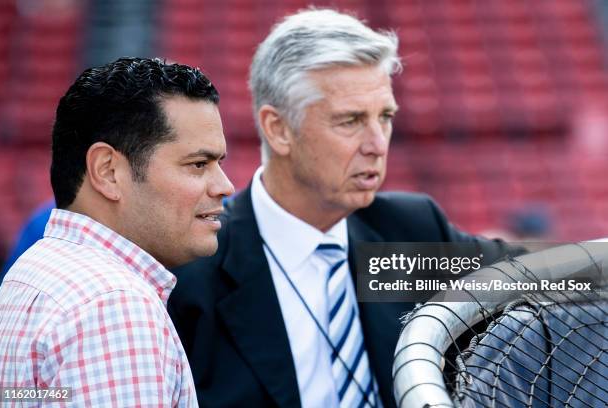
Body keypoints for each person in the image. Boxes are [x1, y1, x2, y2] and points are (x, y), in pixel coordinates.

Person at [168, 9, 518, 408]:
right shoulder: (193, 268)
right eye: (350, 121)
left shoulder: (408, 228)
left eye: (384, 117)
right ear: (278, 128)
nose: (377, 143)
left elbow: (548, 276)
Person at [0, 57, 234, 406]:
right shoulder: (115, 306)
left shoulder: (31, 275)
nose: (225, 186)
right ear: (107, 171)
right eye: (198, 164)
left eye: (219, 164)